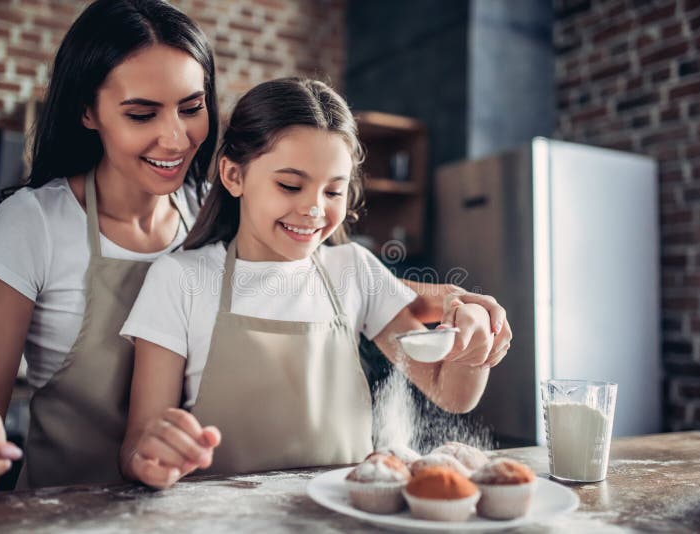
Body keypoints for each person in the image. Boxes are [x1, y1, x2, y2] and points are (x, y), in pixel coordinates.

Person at [0, 0, 510, 511]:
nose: (177, 138)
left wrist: (459, 308)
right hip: (70, 509)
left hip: (193, 510)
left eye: (191, 106)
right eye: (141, 113)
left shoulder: (207, 209)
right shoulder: (36, 223)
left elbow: (330, 272)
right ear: (88, 111)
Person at [119, 78, 508, 490]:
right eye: (290, 185)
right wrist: (153, 458)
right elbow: (136, 445)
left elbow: (452, 394)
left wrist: (473, 341)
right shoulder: (181, 279)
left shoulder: (352, 270)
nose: (313, 208)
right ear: (234, 175)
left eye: (334, 191)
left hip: (345, 516)